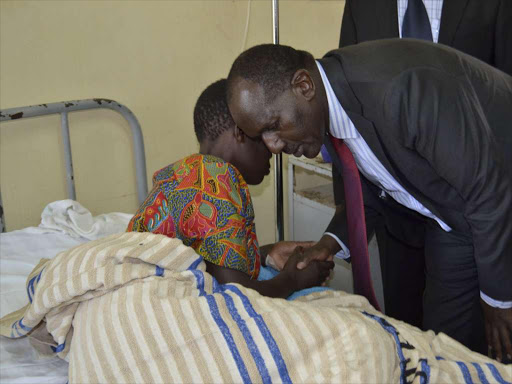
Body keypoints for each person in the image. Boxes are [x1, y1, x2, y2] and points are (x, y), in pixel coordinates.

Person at [226, 42, 512, 361]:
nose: (273, 146)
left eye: (273, 126)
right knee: (445, 346)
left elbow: (490, 190)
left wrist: (500, 301)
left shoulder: (399, 91)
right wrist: (329, 243)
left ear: (303, 86)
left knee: (500, 333)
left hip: (499, 200)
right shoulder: (334, 106)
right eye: (261, 137)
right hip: (453, 217)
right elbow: (379, 185)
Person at [335, 0, 512, 330]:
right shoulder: (362, 5)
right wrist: (346, 219)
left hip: (470, 219)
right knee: (408, 334)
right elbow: (345, 100)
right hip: (396, 214)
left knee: (467, 344)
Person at [127, 79, 334, 299]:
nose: (276, 147)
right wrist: (293, 280)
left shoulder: (194, 172)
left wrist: (266, 255)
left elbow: (211, 263)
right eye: (267, 133)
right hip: (144, 294)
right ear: (241, 131)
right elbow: (237, 293)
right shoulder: (213, 179)